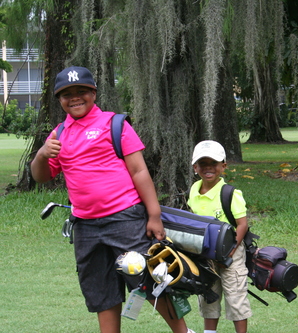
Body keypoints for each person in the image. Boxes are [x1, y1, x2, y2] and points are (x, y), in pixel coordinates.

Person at [30, 66, 194, 333]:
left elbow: (139, 172)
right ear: (59, 100)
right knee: (100, 290)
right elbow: (41, 176)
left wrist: (153, 215)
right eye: (66, 94)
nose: (75, 97)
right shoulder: (59, 134)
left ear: (93, 92)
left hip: (125, 219)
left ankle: (183, 332)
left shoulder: (114, 124)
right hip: (85, 226)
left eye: (81, 91)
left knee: (152, 282)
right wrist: (41, 154)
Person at [187, 140, 252, 333]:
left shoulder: (230, 193)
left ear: (223, 166)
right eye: (203, 163)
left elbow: (242, 225)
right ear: (195, 167)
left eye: (213, 163)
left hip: (230, 251)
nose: (208, 168)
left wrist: (230, 253)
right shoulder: (194, 190)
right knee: (208, 293)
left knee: (235, 295)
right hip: (205, 252)